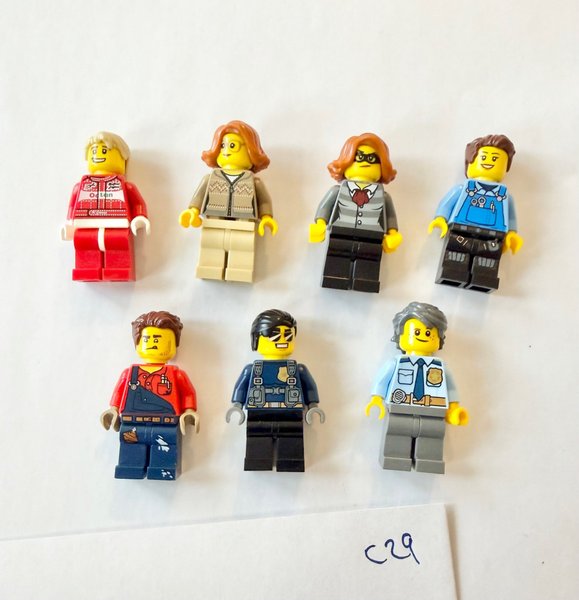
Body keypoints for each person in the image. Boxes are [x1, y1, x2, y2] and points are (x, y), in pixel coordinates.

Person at [366, 302, 468, 474]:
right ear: (400, 336)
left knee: (432, 435)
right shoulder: (398, 363)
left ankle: (429, 460)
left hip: (434, 411)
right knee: (397, 431)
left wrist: (454, 408)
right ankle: (394, 458)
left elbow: (450, 388)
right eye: (416, 332)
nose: (422, 337)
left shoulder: (440, 366)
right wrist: (376, 398)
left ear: (439, 338)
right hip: (400, 408)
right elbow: (382, 381)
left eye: (429, 333)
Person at [101, 311, 199, 480]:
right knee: (130, 449)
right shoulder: (130, 373)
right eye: (147, 339)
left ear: (174, 344)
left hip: (166, 424)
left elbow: (188, 392)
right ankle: (131, 468)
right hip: (132, 423)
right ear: (138, 344)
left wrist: (189, 411)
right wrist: (113, 410)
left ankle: (163, 470)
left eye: (159, 340)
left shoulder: (176, 374)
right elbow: (119, 391)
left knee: (164, 449)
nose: (153, 344)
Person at [226, 309, 324, 472]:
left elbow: (310, 387)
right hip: (258, 414)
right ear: (256, 339)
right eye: (275, 335)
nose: (283, 340)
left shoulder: (298, 369)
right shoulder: (252, 369)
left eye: (288, 335)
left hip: (291, 414)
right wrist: (237, 406)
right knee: (257, 438)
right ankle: (258, 461)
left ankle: (290, 462)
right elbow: (241, 387)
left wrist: (313, 406)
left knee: (292, 437)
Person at [179, 120, 277, 283]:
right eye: (222, 146)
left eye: (233, 146)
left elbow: (264, 200)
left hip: (244, 221)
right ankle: (210, 268)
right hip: (214, 218)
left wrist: (266, 217)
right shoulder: (210, 178)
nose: (226, 151)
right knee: (211, 243)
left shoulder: (254, 182)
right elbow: (199, 196)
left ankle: (240, 271)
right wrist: (193, 211)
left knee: (243, 246)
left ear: (251, 151)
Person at [309, 133, 402, 293]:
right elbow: (325, 207)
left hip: (372, 237)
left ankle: (365, 282)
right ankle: (334, 279)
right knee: (337, 257)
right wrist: (320, 223)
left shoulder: (384, 196)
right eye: (358, 158)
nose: (364, 162)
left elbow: (390, 216)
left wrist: (393, 233)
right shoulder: (338, 190)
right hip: (340, 232)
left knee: (369, 261)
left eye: (372, 159)